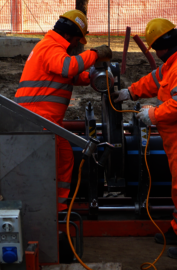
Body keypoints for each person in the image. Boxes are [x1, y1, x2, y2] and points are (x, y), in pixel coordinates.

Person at [112, 18, 177, 262]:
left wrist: (153, 114)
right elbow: (155, 79)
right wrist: (130, 92)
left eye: (155, 49)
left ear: (161, 46)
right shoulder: (176, 60)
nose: (156, 55)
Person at [14, 10, 112, 212]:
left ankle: (56, 208)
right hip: (38, 119)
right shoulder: (50, 47)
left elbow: (69, 76)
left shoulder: (53, 48)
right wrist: (94, 54)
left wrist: (93, 78)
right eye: (77, 39)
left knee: (65, 157)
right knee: (48, 165)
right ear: (69, 34)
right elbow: (67, 68)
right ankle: (45, 210)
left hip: (46, 120)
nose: (77, 44)